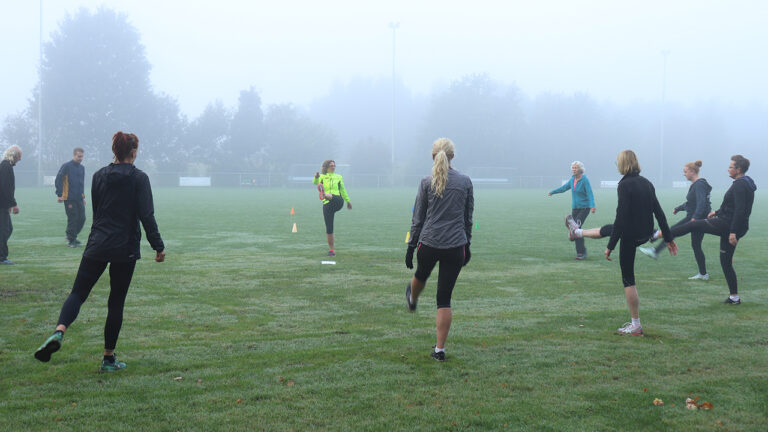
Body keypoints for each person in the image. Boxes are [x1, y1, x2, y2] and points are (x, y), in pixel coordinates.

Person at [34, 132, 166, 372]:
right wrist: (158, 246)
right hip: (124, 248)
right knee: (116, 302)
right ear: (133, 152)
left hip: (97, 243)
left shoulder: (98, 176)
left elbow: (98, 212)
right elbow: (147, 215)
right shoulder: (140, 178)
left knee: (78, 293)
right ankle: (108, 358)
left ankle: (59, 331)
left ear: (114, 151)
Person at [565, 150, 677, 335]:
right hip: (644, 232)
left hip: (630, 234)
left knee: (628, 280)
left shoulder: (624, 185)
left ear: (623, 164)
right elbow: (659, 212)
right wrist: (669, 237)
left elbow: (622, 217)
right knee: (609, 228)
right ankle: (577, 231)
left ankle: (636, 325)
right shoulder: (646, 183)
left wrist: (611, 246)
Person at [646, 155, 756, 305]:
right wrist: (716, 212)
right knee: (725, 262)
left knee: (693, 224)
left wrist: (733, 232)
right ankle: (734, 298)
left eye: (731, 167)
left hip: (729, 226)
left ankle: (659, 234)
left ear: (739, 169)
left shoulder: (739, 185)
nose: (728, 169)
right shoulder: (744, 183)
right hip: (731, 224)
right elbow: (732, 206)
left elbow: (740, 210)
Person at [404, 138, 473, 361]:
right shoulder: (465, 181)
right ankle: (439, 350)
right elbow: (467, 218)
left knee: (421, 275)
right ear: (452, 156)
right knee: (444, 299)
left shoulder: (426, 182)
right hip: (455, 246)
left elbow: (418, 218)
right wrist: (467, 244)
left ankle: (412, 299)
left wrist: (411, 245)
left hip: (429, 243)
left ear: (433, 156)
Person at [639, 160, 711, 280]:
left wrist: (694, 218)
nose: (684, 174)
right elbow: (692, 203)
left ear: (692, 171)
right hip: (696, 218)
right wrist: (679, 208)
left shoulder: (699, 185)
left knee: (672, 231)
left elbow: (702, 203)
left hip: (695, 219)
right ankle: (703, 274)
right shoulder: (697, 185)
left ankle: (655, 247)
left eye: (685, 171)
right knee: (696, 245)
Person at [548, 161, 596, 259]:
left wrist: (592, 206)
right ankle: (579, 248)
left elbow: (590, 193)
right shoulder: (572, 179)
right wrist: (553, 192)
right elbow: (563, 188)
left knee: (576, 228)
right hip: (575, 208)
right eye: (572, 168)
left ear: (580, 169)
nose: (573, 169)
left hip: (584, 208)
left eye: (575, 168)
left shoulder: (584, 180)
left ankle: (581, 253)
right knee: (576, 230)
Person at [313, 160, 351, 257]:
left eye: (334, 166)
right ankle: (331, 250)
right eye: (331, 166)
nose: (333, 167)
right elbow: (315, 183)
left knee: (331, 195)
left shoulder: (338, 177)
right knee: (329, 228)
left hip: (338, 201)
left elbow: (342, 190)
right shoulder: (322, 177)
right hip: (327, 205)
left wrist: (348, 201)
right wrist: (316, 177)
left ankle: (324, 194)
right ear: (326, 167)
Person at [55, 147, 87, 247]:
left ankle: (72, 236)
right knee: (73, 218)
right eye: (78, 156)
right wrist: (59, 194)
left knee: (82, 218)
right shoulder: (66, 166)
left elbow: (81, 184)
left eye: (82, 156)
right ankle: (71, 241)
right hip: (68, 197)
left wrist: (83, 197)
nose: (80, 158)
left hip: (79, 198)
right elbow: (58, 179)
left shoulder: (82, 168)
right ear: (74, 155)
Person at [0, 145, 22, 265]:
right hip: (2, 205)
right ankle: (2, 258)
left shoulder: (6, 166)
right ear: (14, 155)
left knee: (7, 229)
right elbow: (5, 188)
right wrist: (13, 205)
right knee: (4, 230)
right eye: (19, 156)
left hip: (3, 204)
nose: (20, 159)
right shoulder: (5, 166)